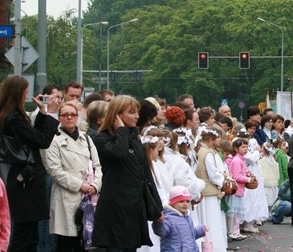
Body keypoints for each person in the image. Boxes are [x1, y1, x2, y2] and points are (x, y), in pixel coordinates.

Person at [92, 95, 162, 251]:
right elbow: (119, 153)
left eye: (137, 112)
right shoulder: (101, 139)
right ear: (117, 115)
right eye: (132, 112)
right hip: (115, 208)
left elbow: (146, 174)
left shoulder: (135, 139)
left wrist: (156, 206)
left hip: (134, 207)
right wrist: (122, 130)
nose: (137, 116)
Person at [0, 76, 59, 251]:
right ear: (18, 93)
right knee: (24, 234)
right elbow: (41, 140)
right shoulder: (14, 118)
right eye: (25, 90)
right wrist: (51, 114)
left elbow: (32, 137)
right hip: (25, 180)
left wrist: (42, 113)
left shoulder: (11, 116)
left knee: (30, 234)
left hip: (24, 177)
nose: (28, 93)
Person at [44, 102, 102, 251]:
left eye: (73, 114)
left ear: (78, 117)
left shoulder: (87, 139)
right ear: (59, 118)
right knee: (66, 241)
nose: (69, 117)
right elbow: (55, 170)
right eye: (65, 115)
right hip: (66, 196)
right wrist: (80, 185)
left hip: (89, 196)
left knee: (85, 241)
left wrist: (95, 185)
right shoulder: (53, 140)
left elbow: (97, 166)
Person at [193, 126, 229, 250]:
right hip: (209, 192)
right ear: (210, 139)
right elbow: (213, 174)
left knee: (205, 220)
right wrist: (223, 180)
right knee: (212, 222)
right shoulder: (207, 153)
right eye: (215, 138)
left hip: (203, 191)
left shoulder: (198, 150)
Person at [152, 186, 206, 252]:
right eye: (181, 201)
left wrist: (201, 230)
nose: (185, 204)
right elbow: (161, 231)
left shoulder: (187, 218)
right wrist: (159, 222)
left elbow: (191, 235)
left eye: (187, 201)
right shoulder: (168, 218)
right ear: (172, 202)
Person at [227, 138, 251, 240]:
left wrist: (247, 173)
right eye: (243, 147)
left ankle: (236, 231)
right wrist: (248, 179)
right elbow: (237, 177)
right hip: (236, 189)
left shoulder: (242, 159)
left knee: (236, 212)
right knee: (234, 212)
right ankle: (233, 232)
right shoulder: (237, 160)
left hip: (240, 189)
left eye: (246, 147)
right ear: (236, 149)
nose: (245, 149)